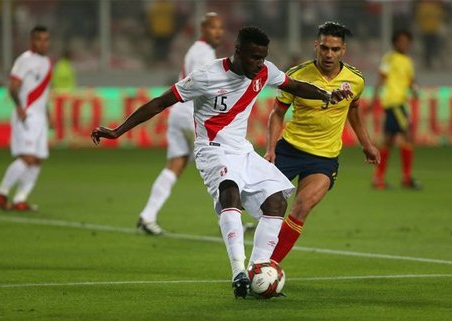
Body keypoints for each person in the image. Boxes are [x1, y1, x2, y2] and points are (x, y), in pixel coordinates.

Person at [91, 26, 351, 298]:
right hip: (212, 148)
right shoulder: (206, 76)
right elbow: (160, 102)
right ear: (237, 52)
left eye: (263, 57)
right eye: (253, 57)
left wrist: (325, 95)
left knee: (277, 199)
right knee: (230, 192)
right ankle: (238, 271)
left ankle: (258, 268)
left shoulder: (264, 71)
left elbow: (294, 85)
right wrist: (117, 130)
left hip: (242, 150)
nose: (259, 64)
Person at [264, 22, 380, 263]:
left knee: (302, 206)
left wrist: (366, 143)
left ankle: (269, 265)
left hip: (323, 158)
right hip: (289, 150)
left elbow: (354, 111)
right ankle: (261, 249)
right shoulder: (296, 75)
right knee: (268, 207)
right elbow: (277, 113)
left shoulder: (355, 80)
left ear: (343, 50)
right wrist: (271, 148)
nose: (329, 54)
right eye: (325, 48)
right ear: (315, 46)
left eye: (335, 49)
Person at [136, 13, 224, 235]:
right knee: (218, 166)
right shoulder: (204, 53)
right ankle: (231, 220)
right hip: (190, 115)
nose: (219, 32)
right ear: (203, 29)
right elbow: (205, 87)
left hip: (178, 113)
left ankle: (147, 216)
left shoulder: (195, 50)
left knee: (175, 165)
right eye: (214, 28)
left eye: (220, 28)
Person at [0, 25, 52, 211]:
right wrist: (19, 107)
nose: (42, 43)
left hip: (40, 117)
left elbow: (44, 93)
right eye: (39, 39)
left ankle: (20, 199)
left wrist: (48, 115)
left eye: (45, 39)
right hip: (27, 115)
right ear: (31, 41)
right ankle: (1, 193)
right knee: (27, 158)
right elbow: (13, 86)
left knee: (38, 159)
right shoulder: (24, 60)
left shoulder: (48, 62)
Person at [370, 30, 421, 190]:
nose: (404, 44)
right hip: (394, 102)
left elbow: (410, 80)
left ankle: (378, 178)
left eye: (407, 41)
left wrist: (414, 89)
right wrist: (374, 99)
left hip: (400, 102)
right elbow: (381, 78)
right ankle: (405, 178)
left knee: (389, 141)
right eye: (401, 41)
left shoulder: (407, 61)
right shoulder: (390, 58)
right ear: (395, 43)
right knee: (407, 136)